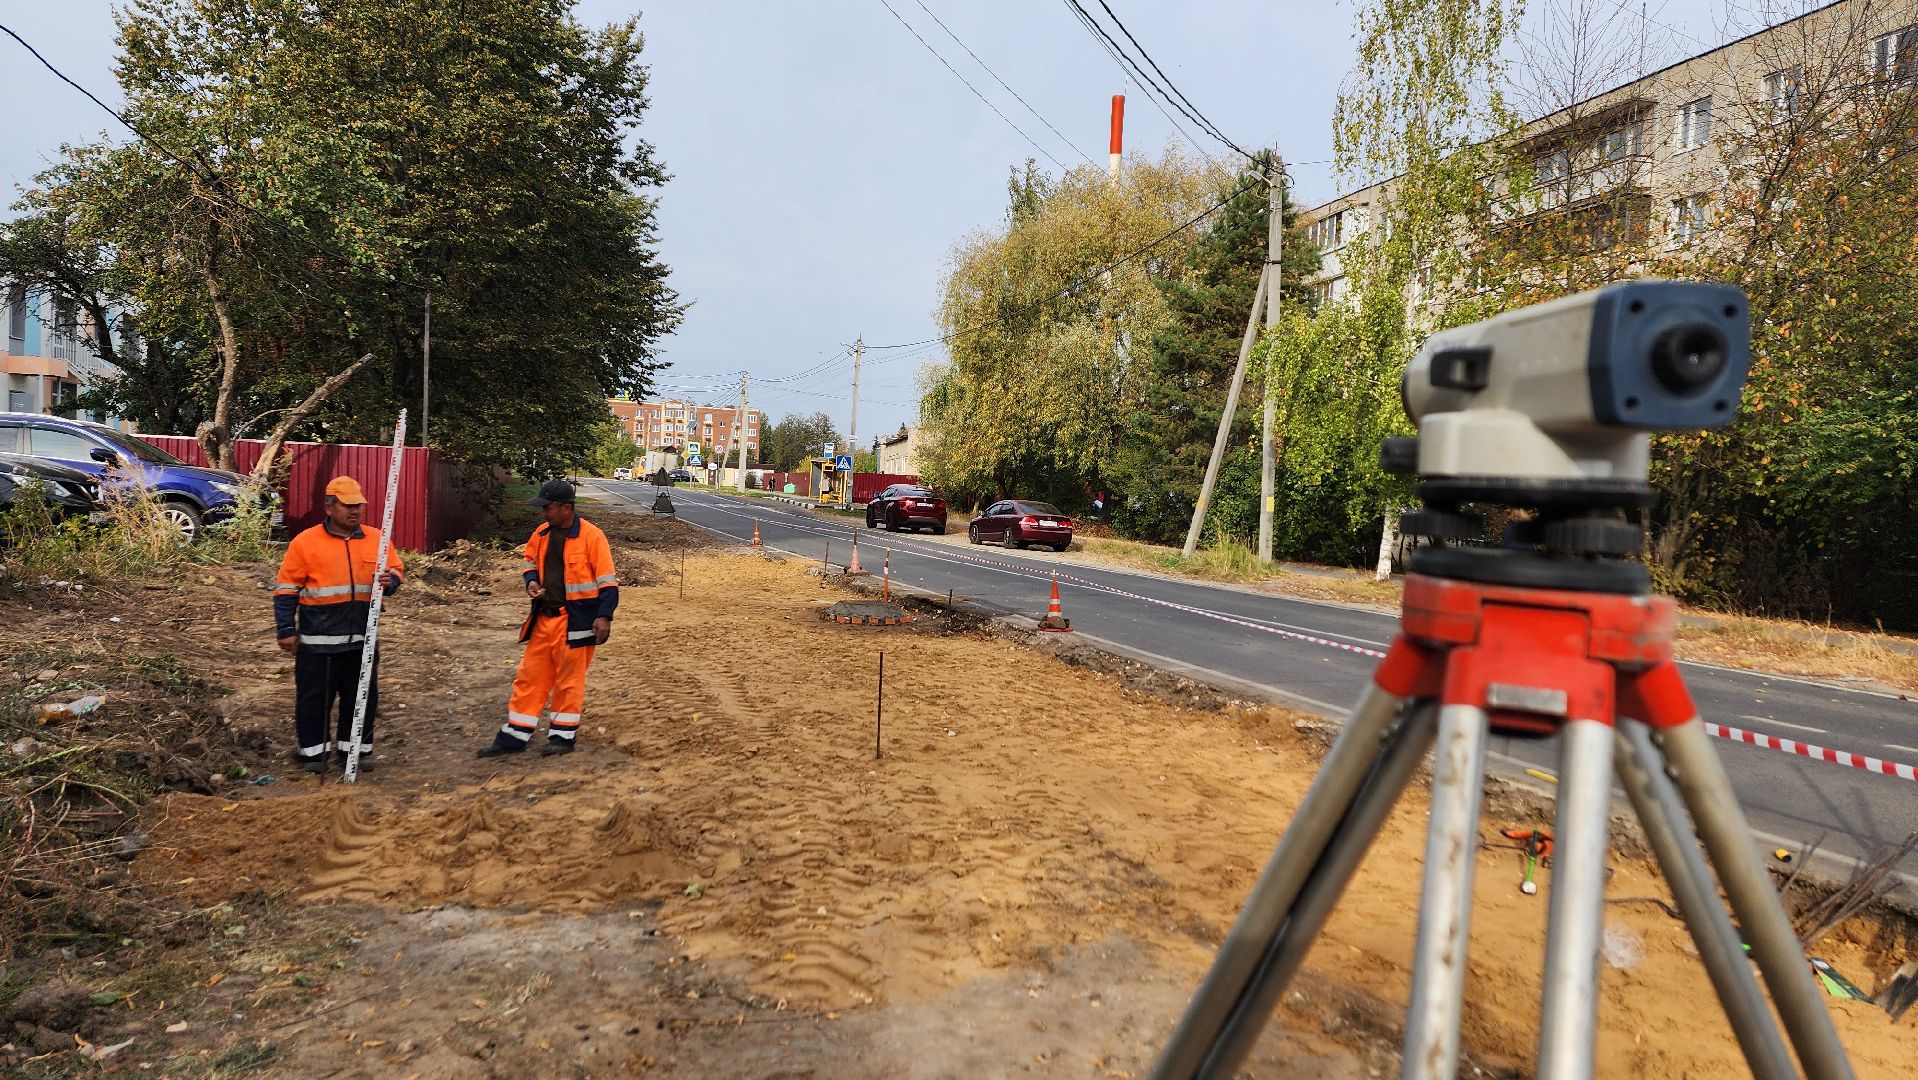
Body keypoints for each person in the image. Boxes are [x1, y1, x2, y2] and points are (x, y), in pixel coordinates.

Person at [479, 479, 618, 758]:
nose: (542, 512)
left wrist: (604, 616)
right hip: (543, 620)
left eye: (547, 507)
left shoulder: (592, 537)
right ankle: (515, 734)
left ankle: (562, 737)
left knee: (569, 681)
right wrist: (531, 581)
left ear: (566, 508)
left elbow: (608, 583)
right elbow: (529, 561)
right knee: (529, 677)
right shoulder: (541, 533)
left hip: (575, 622)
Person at [273, 476, 404, 772]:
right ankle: (314, 754)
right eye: (348, 506)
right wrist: (286, 630)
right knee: (314, 699)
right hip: (317, 642)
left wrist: (391, 581)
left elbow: (395, 570)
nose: (355, 511)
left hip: (362, 640)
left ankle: (355, 750)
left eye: (358, 505)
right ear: (330, 507)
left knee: (362, 698)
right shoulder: (305, 542)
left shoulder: (377, 539)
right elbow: (286, 590)